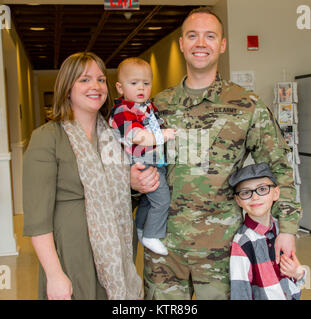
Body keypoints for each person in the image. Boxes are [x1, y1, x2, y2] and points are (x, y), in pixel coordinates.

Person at [142, 7, 302, 300]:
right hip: (165, 249)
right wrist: (132, 179)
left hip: (224, 250)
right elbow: (135, 160)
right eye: (192, 36)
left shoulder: (246, 104)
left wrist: (287, 228)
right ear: (181, 44)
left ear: (222, 45)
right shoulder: (158, 105)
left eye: (210, 36)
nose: (200, 43)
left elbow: (280, 164)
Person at [22, 52, 151, 300]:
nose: (95, 86)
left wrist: (134, 183)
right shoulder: (47, 138)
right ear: (67, 88)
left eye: (101, 79)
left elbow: (124, 195)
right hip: (72, 256)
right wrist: (54, 274)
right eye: (84, 80)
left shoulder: (116, 136)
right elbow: (38, 220)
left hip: (116, 253)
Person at [109, 57, 176, 256]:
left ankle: (141, 229)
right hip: (140, 162)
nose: (141, 88)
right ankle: (151, 235)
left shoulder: (146, 106)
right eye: (134, 83)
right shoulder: (122, 111)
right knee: (162, 200)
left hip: (154, 160)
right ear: (120, 88)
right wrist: (163, 136)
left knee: (148, 201)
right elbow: (138, 137)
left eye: (146, 83)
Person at [229, 162, 306, 300]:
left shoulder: (282, 232)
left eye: (262, 189)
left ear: (276, 193)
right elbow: (240, 292)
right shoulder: (242, 243)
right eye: (246, 192)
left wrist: (298, 273)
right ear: (238, 200)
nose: (255, 197)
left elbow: (294, 276)